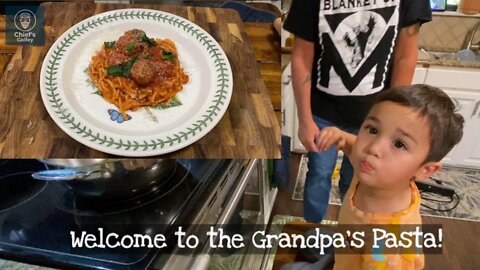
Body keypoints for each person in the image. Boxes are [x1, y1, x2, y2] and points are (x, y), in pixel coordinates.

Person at [282, 84, 464, 270]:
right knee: (325, 240)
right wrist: (341, 136)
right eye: (373, 130)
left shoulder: (389, 249)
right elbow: (354, 146)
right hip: (350, 244)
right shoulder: (377, 172)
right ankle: (340, 251)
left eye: (399, 144)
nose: (373, 148)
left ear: (425, 170)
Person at [283, 0, 432, 222]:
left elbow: (405, 56)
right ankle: (313, 233)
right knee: (319, 175)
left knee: (359, 181)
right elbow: (301, 57)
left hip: (374, 120)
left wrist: (394, 121)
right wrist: (304, 120)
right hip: (322, 113)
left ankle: (351, 231)